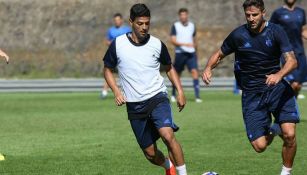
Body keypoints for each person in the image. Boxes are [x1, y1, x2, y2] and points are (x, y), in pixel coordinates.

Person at [202, 1, 299, 175]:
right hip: (252, 95)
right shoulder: (238, 35)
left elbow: (292, 61)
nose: (251, 18)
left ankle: (286, 172)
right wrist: (208, 68)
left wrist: (278, 75)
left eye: (255, 15)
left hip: (277, 89)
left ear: (263, 13)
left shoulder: (276, 31)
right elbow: (219, 53)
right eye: (248, 15)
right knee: (260, 146)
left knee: (290, 135)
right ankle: (275, 128)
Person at [103, 4, 188, 175]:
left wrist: (180, 91)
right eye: (140, 23)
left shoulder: (157, 44)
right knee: (150, 153)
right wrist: (117, 92)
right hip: (134, 105)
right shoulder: (118, 44)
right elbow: (107, 70)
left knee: (168, 135)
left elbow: (169, 68)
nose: (144, 27)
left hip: (157, 97)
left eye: (147, 23)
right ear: (131, 22)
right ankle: (168, 166)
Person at [270, 0, 307, 99]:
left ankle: (292, 103)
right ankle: (286, 104)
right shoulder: (278, 13)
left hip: (300, 52)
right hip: (286, 52)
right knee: (294, 84)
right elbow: (271, 30)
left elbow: (303, 31)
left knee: (298, 85)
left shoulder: (301, 12)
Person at [170, 8, 202, 103]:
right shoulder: (175, 26)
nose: (183, 16)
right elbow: (173, 40)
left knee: (194, 72)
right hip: (180, 53)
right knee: (177, 74)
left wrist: (195, 50)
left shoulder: (192, 26)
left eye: (185, 15)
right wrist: (185, 44)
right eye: (181, 15)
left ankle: (197, 96)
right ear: (179, 16)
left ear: (187, 15)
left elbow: (194, 39)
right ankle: (173, 94)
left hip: (191, 53)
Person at [101, 13, 131, 99]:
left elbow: (131, 40)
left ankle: (127, 90)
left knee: (125, 72)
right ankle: (104, 92)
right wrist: (110, 43)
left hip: (124, 55)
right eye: (115, 20)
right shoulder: (111, 30)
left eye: (118, 20)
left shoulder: (127, 29)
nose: (117, 22)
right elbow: (107, 41)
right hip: (113, 54)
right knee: (109, 72)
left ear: (121, 20)